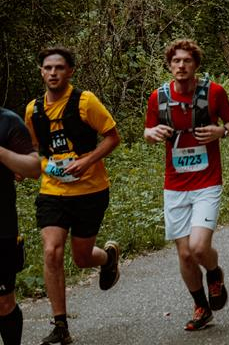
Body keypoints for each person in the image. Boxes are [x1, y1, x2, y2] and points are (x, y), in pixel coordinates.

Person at [25, 47, 122, 345]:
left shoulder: (85, 101)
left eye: (59, 68)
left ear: (70, 71)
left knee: (81, 258)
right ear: (41, 72)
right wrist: (45, 165)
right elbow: (34, 151)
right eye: (48, 68)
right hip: (52, 191)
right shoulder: (33, 110)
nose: (53, 73)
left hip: (90, 190)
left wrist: (87, 161)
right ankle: (61, 326)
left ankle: (107, 258)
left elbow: (113, 137)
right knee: (52, 251)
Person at [143, 39, 229, 332]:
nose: (181, 66)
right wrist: (152, 132)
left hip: (207, 180)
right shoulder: (158, 98)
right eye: (176, 61)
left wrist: (220, 130)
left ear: (196, 64)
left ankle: (214, 271)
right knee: (184, 254)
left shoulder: (214, 93)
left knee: (198, 248)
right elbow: (147, 130)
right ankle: (201, 306)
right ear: (169, 65)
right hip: (175, 184)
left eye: (187, 61)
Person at [0, 98, 39, 345]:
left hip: (1, 226)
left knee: (3, 302)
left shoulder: (8, 122)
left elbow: (34, 168)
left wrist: (2, 153)